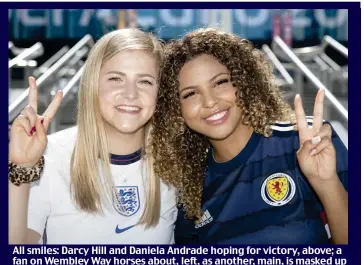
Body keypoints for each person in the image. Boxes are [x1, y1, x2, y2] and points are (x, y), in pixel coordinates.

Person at [151, 28, 348, 244]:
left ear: (244, 82)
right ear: (176, 110)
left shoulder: (305, 142)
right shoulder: (190, 188)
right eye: (190, 94)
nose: (209, 102)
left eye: (220, 82)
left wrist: (327, 183)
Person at [9, 28, 177, 244]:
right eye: (116, 78)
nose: (131, 93)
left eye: (145, 81)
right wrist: (21, 170)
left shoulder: (174, 162)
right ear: (92, 85)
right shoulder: (49, 155)